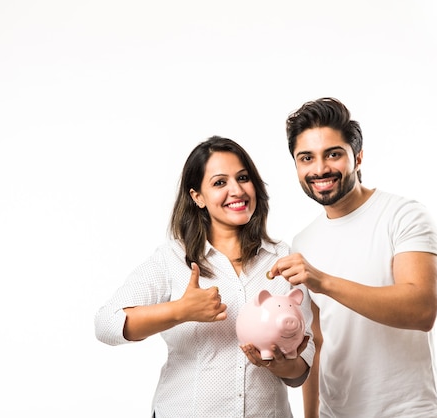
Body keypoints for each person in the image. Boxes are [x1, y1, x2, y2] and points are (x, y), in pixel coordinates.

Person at [94, 136, 314, 417]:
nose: (236, 190)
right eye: (220, 182)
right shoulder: (172, 258)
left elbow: (299, 371)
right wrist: (180, 311)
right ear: (197, 196)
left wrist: (277, 363)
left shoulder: (284, 261)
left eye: (243, 178)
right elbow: (106, 324)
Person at [268, 98, 437, 418]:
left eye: (333, 154)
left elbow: (422, 309)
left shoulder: (403, 215)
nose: (320, 169)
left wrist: (323, 281)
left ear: (358, 157)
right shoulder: (303, 242)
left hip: (407, 411)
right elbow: (316, 341)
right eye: (306, 158)